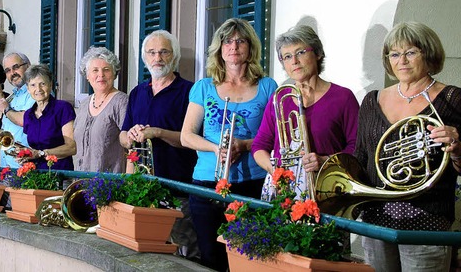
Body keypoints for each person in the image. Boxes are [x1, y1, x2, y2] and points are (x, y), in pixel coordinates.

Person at [354, 22, 461, 271]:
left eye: (411, 52)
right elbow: (360, 157)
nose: (402, 60)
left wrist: (457, 147)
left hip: (427, 222)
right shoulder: (372, 100)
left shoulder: (453, 99)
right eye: (394, 54)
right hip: (376, 220)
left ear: (429, 53)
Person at [180, 18, 277, 271]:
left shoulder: (267, 87)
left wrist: (244, 144)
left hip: (251, 182)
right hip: (207, 183)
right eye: (227, 41)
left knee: (248, 257)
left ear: (250, 47)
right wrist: (216, 148)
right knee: (211, 256)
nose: (233, 46)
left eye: (240, 40)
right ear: (219, 49)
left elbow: (276, 138)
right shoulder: (204, 87)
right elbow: (186, 136)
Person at [252, 25, 359, 200]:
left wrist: (325, 161)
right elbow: (259, 146)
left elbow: (357, 149)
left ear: (318, 53)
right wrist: (275, 171)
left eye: (300, 52)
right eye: (287, 56)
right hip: (284, 193)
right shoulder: (279, 99)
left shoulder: (343, 98)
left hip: (328, 192)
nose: (294, 61)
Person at [118, 30, 199, 260]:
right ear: (145, 57)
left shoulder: (189, 91)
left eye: (164, 52)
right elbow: (122, 135)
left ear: (174, 56)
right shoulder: (137, 92)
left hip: (178, 188)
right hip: (143, 188)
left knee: (184, 252)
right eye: (152, 52)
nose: (158, 58)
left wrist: (158, 133)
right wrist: (130, 136)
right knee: (147, 253)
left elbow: (191, 140)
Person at [74, 47, 128, 173]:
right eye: (95, 70)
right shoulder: (84, 104)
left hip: (109, 185)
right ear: (87, 75)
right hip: (81, 181)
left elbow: (130, 146)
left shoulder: (121, 102)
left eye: (106, 70)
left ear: (114, 74)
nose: (101, 75)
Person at [15, 64, 76, 170]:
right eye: (33, 85)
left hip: (60, 174)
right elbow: (35, 149)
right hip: (36, 175)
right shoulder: (28, 115)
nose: (38, 89)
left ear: (50, 84)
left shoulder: (63, 108)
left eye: (42, 84)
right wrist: (25, 154)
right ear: (28, 89)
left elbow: (71, 148)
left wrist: (41, 153)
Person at [0, 52, 36, 168]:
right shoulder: (13, 97)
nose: (12, 73)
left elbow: (25, 120)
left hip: (26, 166)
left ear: (28, 66)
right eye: (7, 70)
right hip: (7, 168)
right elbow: (4, 134)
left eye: (16, 67)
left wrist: (6, 109)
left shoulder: (36, 92)